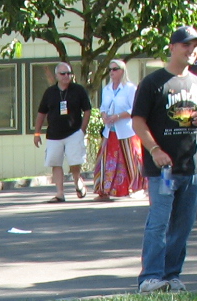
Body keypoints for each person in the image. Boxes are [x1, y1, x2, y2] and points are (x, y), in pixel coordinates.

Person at [133, 26, 197, 292]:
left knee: (183, 225)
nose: (192, 50)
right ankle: (150, 278)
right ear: (172, 47)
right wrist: (155, 150)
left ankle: (172, 275)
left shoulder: (196, 83)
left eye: (196, 46)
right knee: (159, 222)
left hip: (191, 166)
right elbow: (138, 121)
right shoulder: (154, 82)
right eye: (186, 45)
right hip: (164, 170)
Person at [34, 63, 92, 202]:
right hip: (54, 134)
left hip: (73, 133)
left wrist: (82, 130)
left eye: (69, 73)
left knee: (75, 162)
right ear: (56, 76)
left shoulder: (78, 90)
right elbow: (41, 113)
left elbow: (87, 110)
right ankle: (60, 193)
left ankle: (77, 180)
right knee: (56, 163)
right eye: (63, 73)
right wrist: (37, 133)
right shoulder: (50, 92)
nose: (67, 76)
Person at [96, 60, 143, 199]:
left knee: (131, 158)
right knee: (107, 160)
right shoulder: (107, 89)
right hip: (110, 130)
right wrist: (104, 115)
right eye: (110, 69)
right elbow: (103, 106)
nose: (111, 72)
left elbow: (134, 108)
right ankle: (105, 190)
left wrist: (118, 116)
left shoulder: (130, 88)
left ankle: (136, 188)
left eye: (115, 69)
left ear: (122, 71)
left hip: (126, 130)